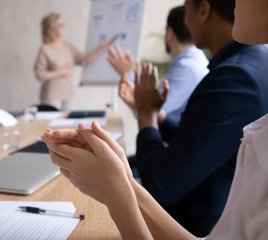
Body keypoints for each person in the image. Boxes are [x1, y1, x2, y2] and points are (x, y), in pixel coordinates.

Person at [42, 0, 268, 238]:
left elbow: (161, 186)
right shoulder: (252, 64)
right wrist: (121, 177)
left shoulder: (236, 77)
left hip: (190, 216)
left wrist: (146, 116)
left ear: (203, 10)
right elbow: (200, 136)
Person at [108, 6, 208, 123]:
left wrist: (128, 75)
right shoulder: (191, 62)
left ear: (170, 33)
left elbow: (151, 113)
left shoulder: (188, 69)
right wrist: (136, 76)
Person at [34, 13, 115, 111]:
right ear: (52, 28)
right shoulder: (45, 49)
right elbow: (40, 74)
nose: (63, 27)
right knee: (53, 124)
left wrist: (102, 47)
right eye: (60, 25)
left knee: (69, 123)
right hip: (51, 97)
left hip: (68, 95)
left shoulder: (67, 46)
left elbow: (84, 60)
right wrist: (61, 72)